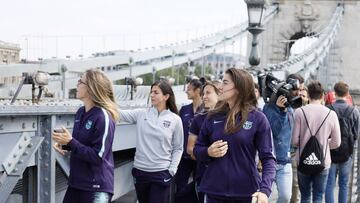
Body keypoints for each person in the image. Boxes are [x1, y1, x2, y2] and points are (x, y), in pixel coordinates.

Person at [194, 68, 276, 203]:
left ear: (239, 87)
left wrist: (264, 191)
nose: (220, 87)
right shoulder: (212, 116)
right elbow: (197, 149)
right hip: (214, 193)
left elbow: (268, 159)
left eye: (225, 83)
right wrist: (208, 151)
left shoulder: (258, 118)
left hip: (246, 194)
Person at [53, 69, 119, 203]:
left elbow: (98, 156)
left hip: (96, 187)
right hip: (76, 184)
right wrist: (65, 144)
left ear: (91, 88)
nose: (76, 85)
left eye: (80, 81)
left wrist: (71, 142)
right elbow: (82, 144)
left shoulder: (103, 117)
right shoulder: (80, 112)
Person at [119, 80, 184, 203]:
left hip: (161, 173)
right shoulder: (141, 114)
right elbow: (119, 114)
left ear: (166, 96)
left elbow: (178, 148)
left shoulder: (175, 120)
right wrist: (102, 101)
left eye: (156, 92)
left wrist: (172, 170)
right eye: (151, 92)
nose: (152, 95)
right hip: (140, 173)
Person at [292, 81, 341, 203]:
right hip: (323, 161)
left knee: (305, 196)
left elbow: (294, 141)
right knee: (318, 197)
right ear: (323, 95)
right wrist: (323, 144)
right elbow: (337, 142)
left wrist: (304, 142)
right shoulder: (331, 114)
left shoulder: (299, 112)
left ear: (308, 95)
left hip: (303, 160)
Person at [263, 73, 305, 203]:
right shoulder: (268, 108)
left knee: (285, 197)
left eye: (301, 90)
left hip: (285, 161)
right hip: (269, 161)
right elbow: (274, 131)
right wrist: (281, 112)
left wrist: (293, 152)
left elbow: (292, 133)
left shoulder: (291, 109)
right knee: (265, 198)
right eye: (296, 90)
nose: (298, 93)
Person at [325, 82, 360, 203]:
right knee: (343, 184)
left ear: (334, 93)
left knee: (329, 184)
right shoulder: (354, 111)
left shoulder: (328, 109)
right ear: (347, 94)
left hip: (330, 152)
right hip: (347, 153)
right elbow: (356, 133)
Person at [187, 81, 220, 202]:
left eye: (208, 93)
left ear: (219, 94)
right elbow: (190, 149)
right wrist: (208, 153)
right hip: (204, 175)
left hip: (226, 177)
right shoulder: (198, 119)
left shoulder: (231, 118)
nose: (204, 96)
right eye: (203, 93)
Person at [176, 78, 202, 195]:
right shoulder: (184, 109)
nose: (186, 92)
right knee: (180, 187)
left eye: (189, 89)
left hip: (200, 157)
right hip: (184, 157)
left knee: (199, 187)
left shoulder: (207, 111)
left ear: (197, 91)